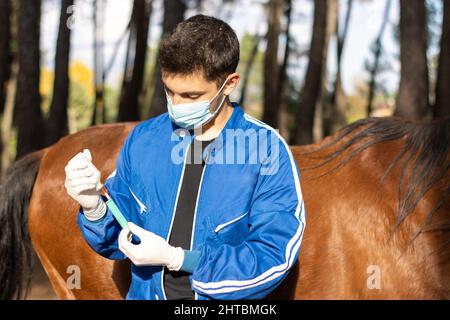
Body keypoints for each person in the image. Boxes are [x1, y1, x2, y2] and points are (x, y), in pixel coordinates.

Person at [64, 14, 306, 300]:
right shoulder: (144, 140)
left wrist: (178, 259)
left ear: (229, 84)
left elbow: (273, 255)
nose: (176, 106)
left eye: (191, 96)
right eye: (170, 91)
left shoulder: (266, 149)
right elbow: (116, 236)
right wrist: (93, 206)